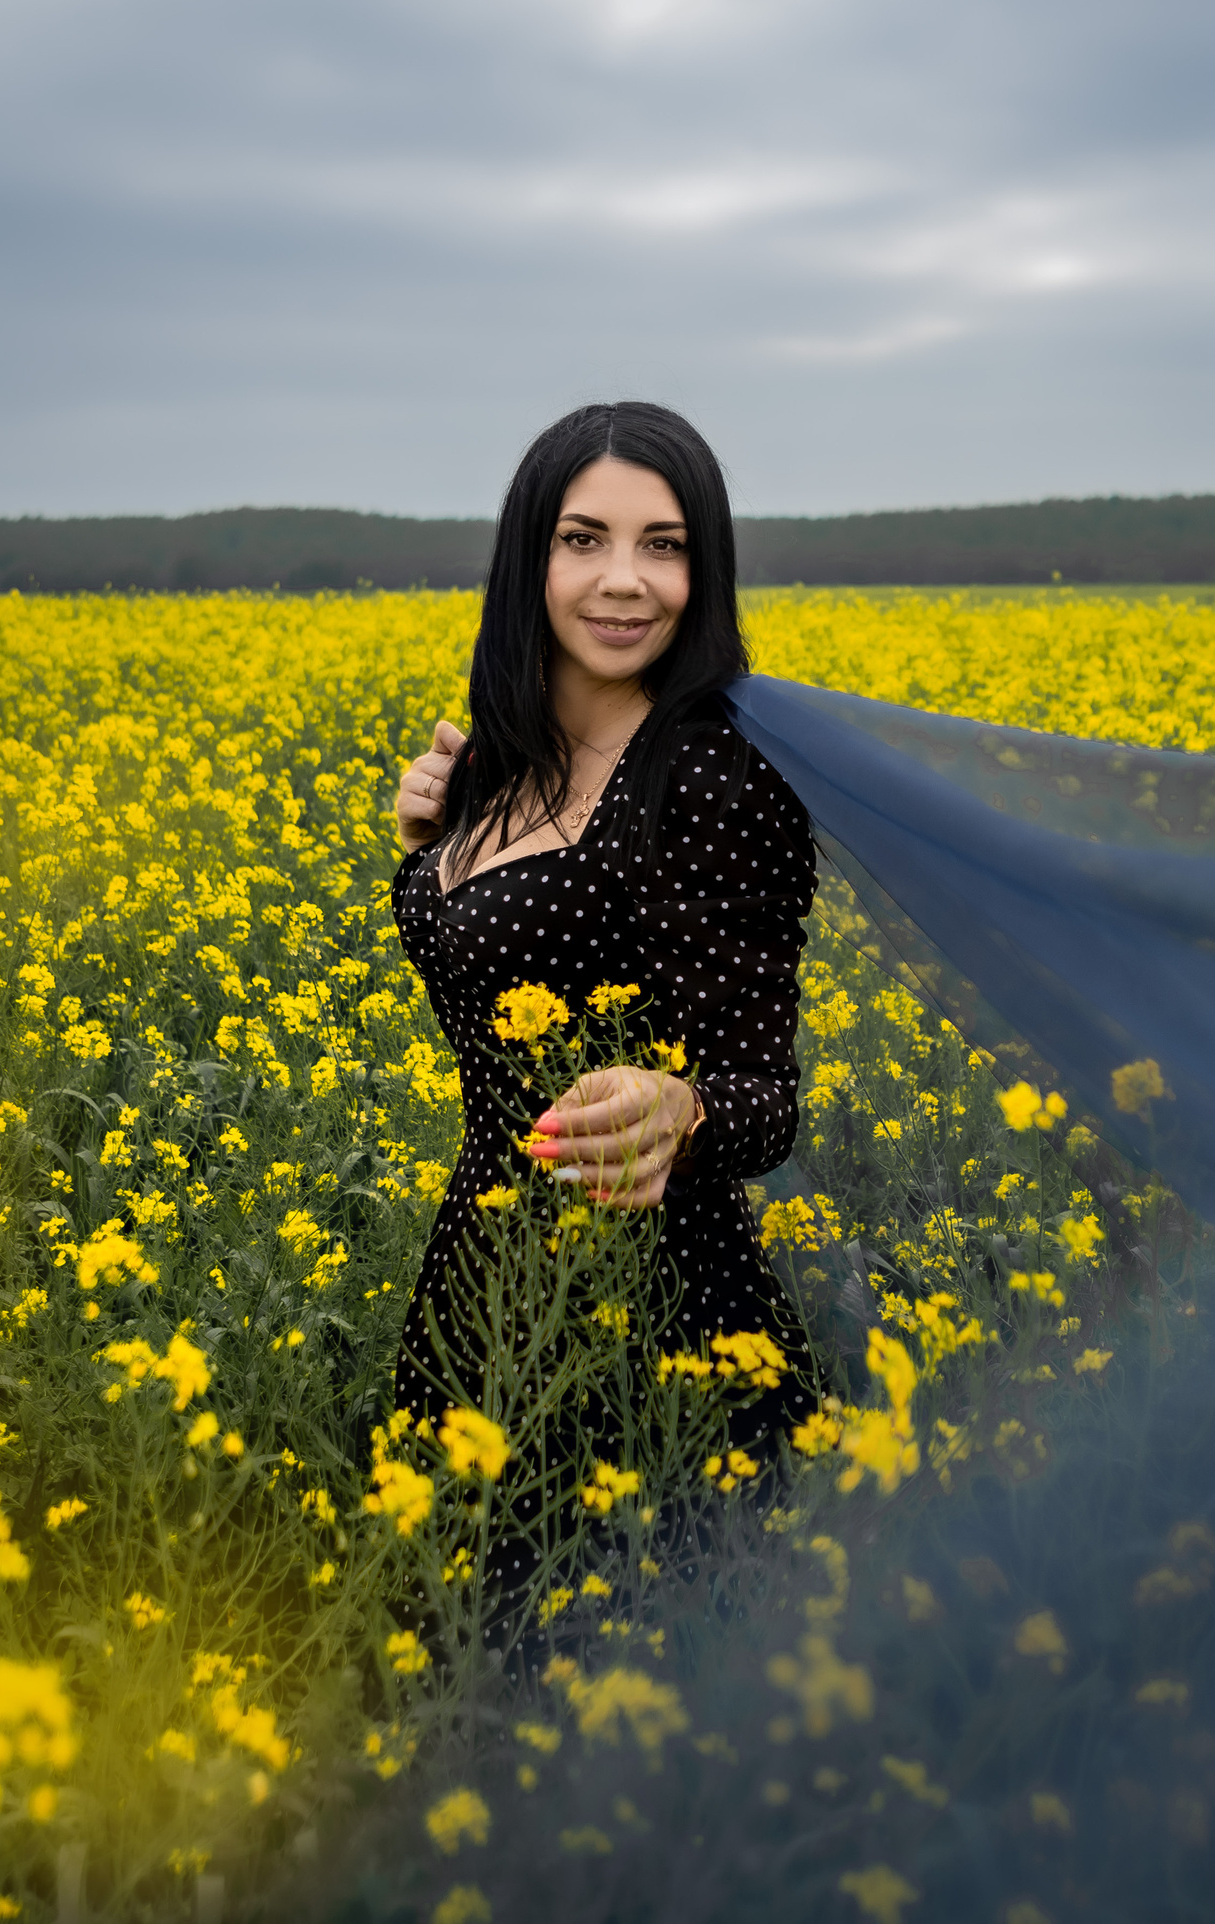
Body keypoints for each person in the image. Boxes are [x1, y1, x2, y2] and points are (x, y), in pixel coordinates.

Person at [387, 400, 820, 1487]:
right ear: (528, 559)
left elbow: (767, 1096)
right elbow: (504, 992)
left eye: (663, 546)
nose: (624, 580)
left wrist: (683, 1108)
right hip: (483, 1286)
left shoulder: (714, 778)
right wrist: (432, 852)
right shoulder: (496, 764)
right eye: (584, 539)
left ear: (702, 572)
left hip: (656, 1319)